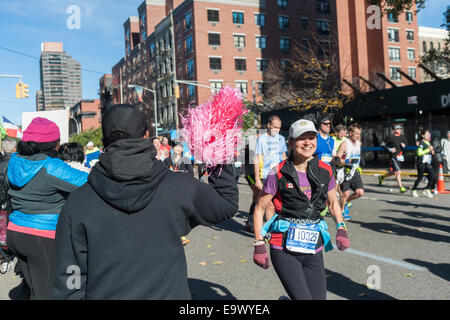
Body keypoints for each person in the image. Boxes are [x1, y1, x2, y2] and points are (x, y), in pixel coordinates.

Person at [51, 104, 238, 300]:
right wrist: (217, 149)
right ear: (147, 135)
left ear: (103, 141)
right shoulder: (179, 186)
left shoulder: (78, 203)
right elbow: (225, 203)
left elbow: (70, 275)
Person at [252, 119, 349, 300]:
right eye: (301, 138)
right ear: (291, 142)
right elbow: (259, 208)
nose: (307, 143)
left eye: (311, 138)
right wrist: (259, 243)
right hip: (284, 249)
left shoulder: (326, 171)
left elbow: (333, 203)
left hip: (314, 248)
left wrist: (341, 228)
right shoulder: (277, 172)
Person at [5, 117, 88, 299]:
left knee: (35, 290)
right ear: (54, 144)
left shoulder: (14, 161)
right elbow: (86, 183)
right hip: (42, 237)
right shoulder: (51, 166)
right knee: (48, 294)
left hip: (16, 234)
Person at [247, 116, 287, 232]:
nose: (277, 130)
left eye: (279, 128)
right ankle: (269, 232)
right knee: (268, 204)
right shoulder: (261, 139)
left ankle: (267, 229)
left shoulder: (281, 139)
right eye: (275, 127)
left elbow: (284, 156)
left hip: (278, 175)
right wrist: (257, 179)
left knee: (273, 204)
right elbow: (257, 158)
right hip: (264, 175)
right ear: (269, 125)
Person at [336, 123, 364, 220]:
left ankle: (345, 202)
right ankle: (341, 210)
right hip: (344, 170)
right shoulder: (344, 144)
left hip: (354, 170)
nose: (358, 136)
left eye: (359, 134)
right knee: (346, 193)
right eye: (356, 134)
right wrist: (348, 161)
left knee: (360, 192)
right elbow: (337, 161)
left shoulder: (358, 143)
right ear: (350, 133)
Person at [0, 138, 17, 274]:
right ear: (15, 149)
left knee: (2, 230)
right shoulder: (17, 164)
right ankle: (9, 257)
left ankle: (5, 258)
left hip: (1, 202)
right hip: (13, 201)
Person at [378, 125, 407, 193]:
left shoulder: (402, 136)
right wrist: (390, 149)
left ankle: (382, 177)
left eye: (400, 128)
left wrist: (404, 145)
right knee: (398, 171)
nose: (399, 129)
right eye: (398, 128)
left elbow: (406, 144)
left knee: (394, 172)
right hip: (393, 156)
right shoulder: (390, 137)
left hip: (400, 156)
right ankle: (401, 187)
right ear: (394, 130)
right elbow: (382, 144)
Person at [411, 129, 436, 198]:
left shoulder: (429, 143)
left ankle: (427, 189)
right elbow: (419, 153)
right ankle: (413, 190)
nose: (429, 135)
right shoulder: (422, 143)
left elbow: (430, 152)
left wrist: (432, 152)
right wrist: (428, 149)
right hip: (421, 163)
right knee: (420, 177)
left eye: (429, 134)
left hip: (427, 163)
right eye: (427, 134)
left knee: (433, 175)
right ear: (423, 135)